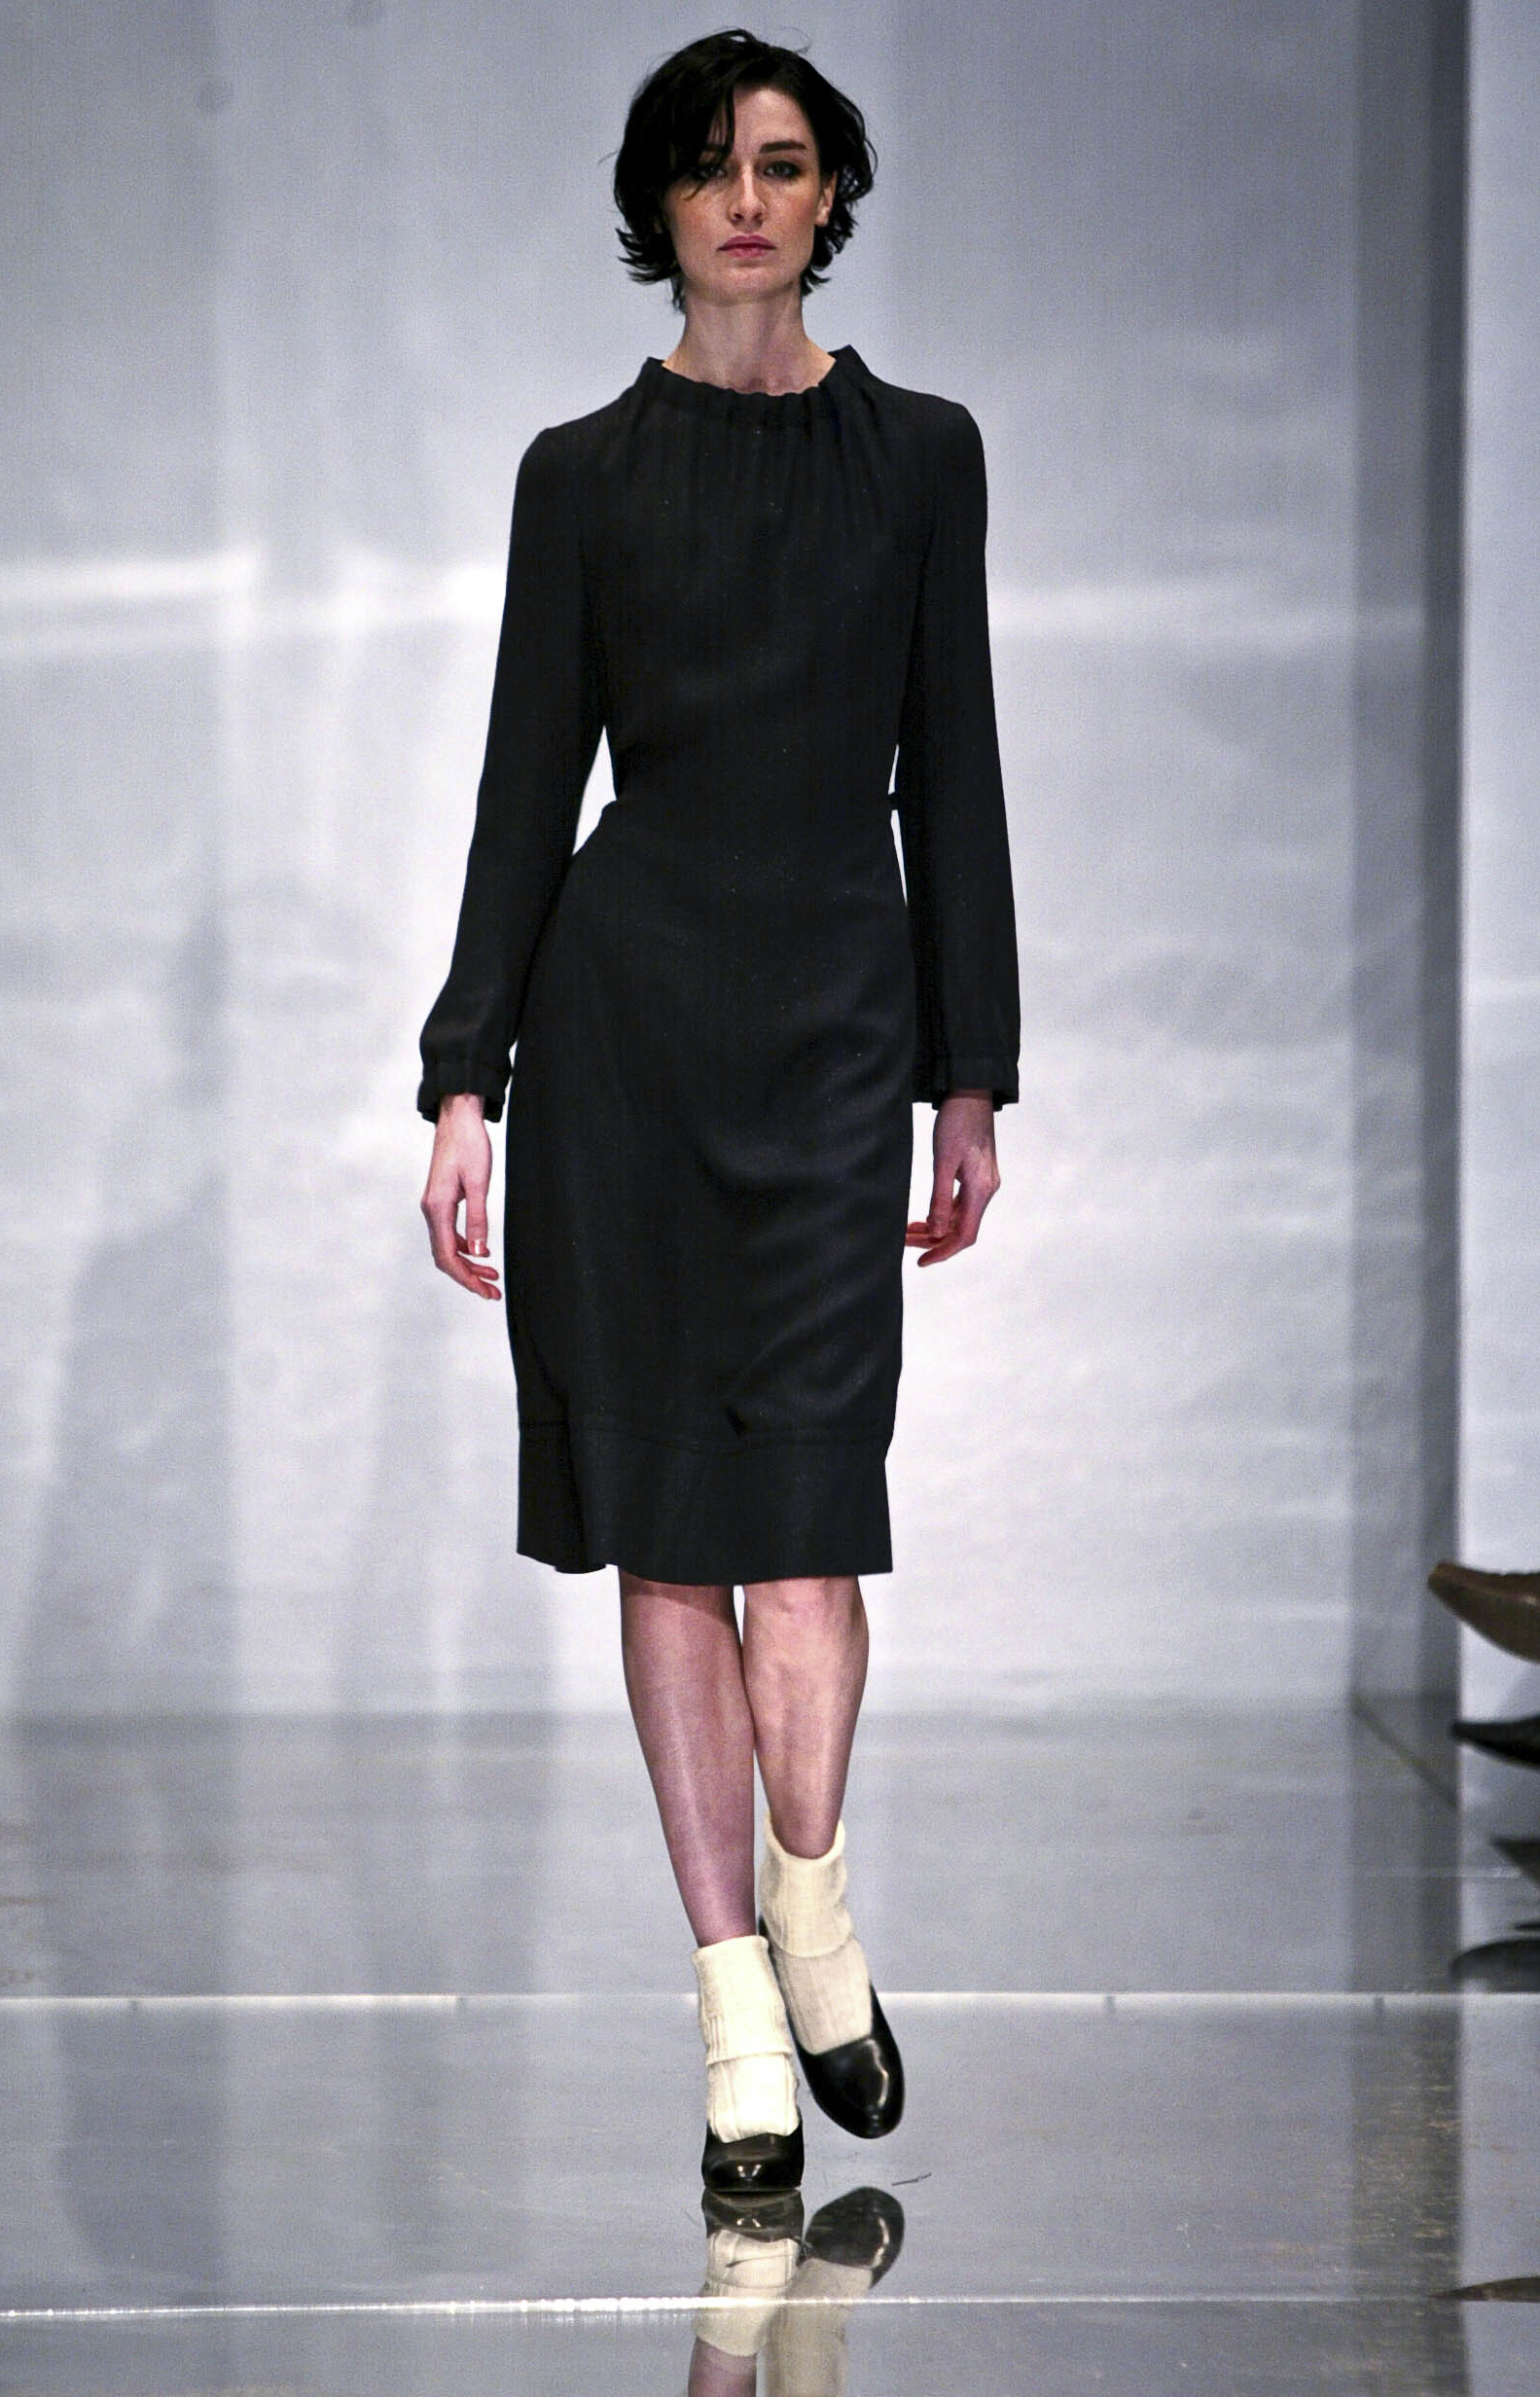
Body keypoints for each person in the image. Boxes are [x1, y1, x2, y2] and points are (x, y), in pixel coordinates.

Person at [416, 27, 1021, 2200]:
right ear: (655, 208)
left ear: (831, 192)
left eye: (779, 163)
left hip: (837, 1032)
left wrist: (970, 1066)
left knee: (810, 1525)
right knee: (672, 1530)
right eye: (705, 167)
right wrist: (463, 1075)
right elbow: (524, 782)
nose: (744, 200)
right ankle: (734, 2005)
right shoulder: (577, 477)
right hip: (629, 1040)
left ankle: (815, 1901)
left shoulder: (921, 455)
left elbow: (952, 763)